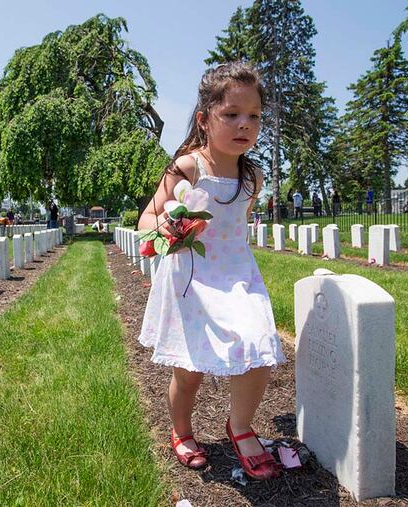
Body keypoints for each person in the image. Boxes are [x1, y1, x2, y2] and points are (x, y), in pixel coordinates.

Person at [137, 62, 284, 480]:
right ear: (204, 119)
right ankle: (181, 430)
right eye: (232, 114)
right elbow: (147, 220)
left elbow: (236, 228)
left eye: (254, 116)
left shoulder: (252, 176)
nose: (245, 125)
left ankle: (239, 427)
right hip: (193, 279)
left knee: (260, 345)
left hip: (236, 273)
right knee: (190, 368)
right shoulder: (188, 167)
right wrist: (170, 227)